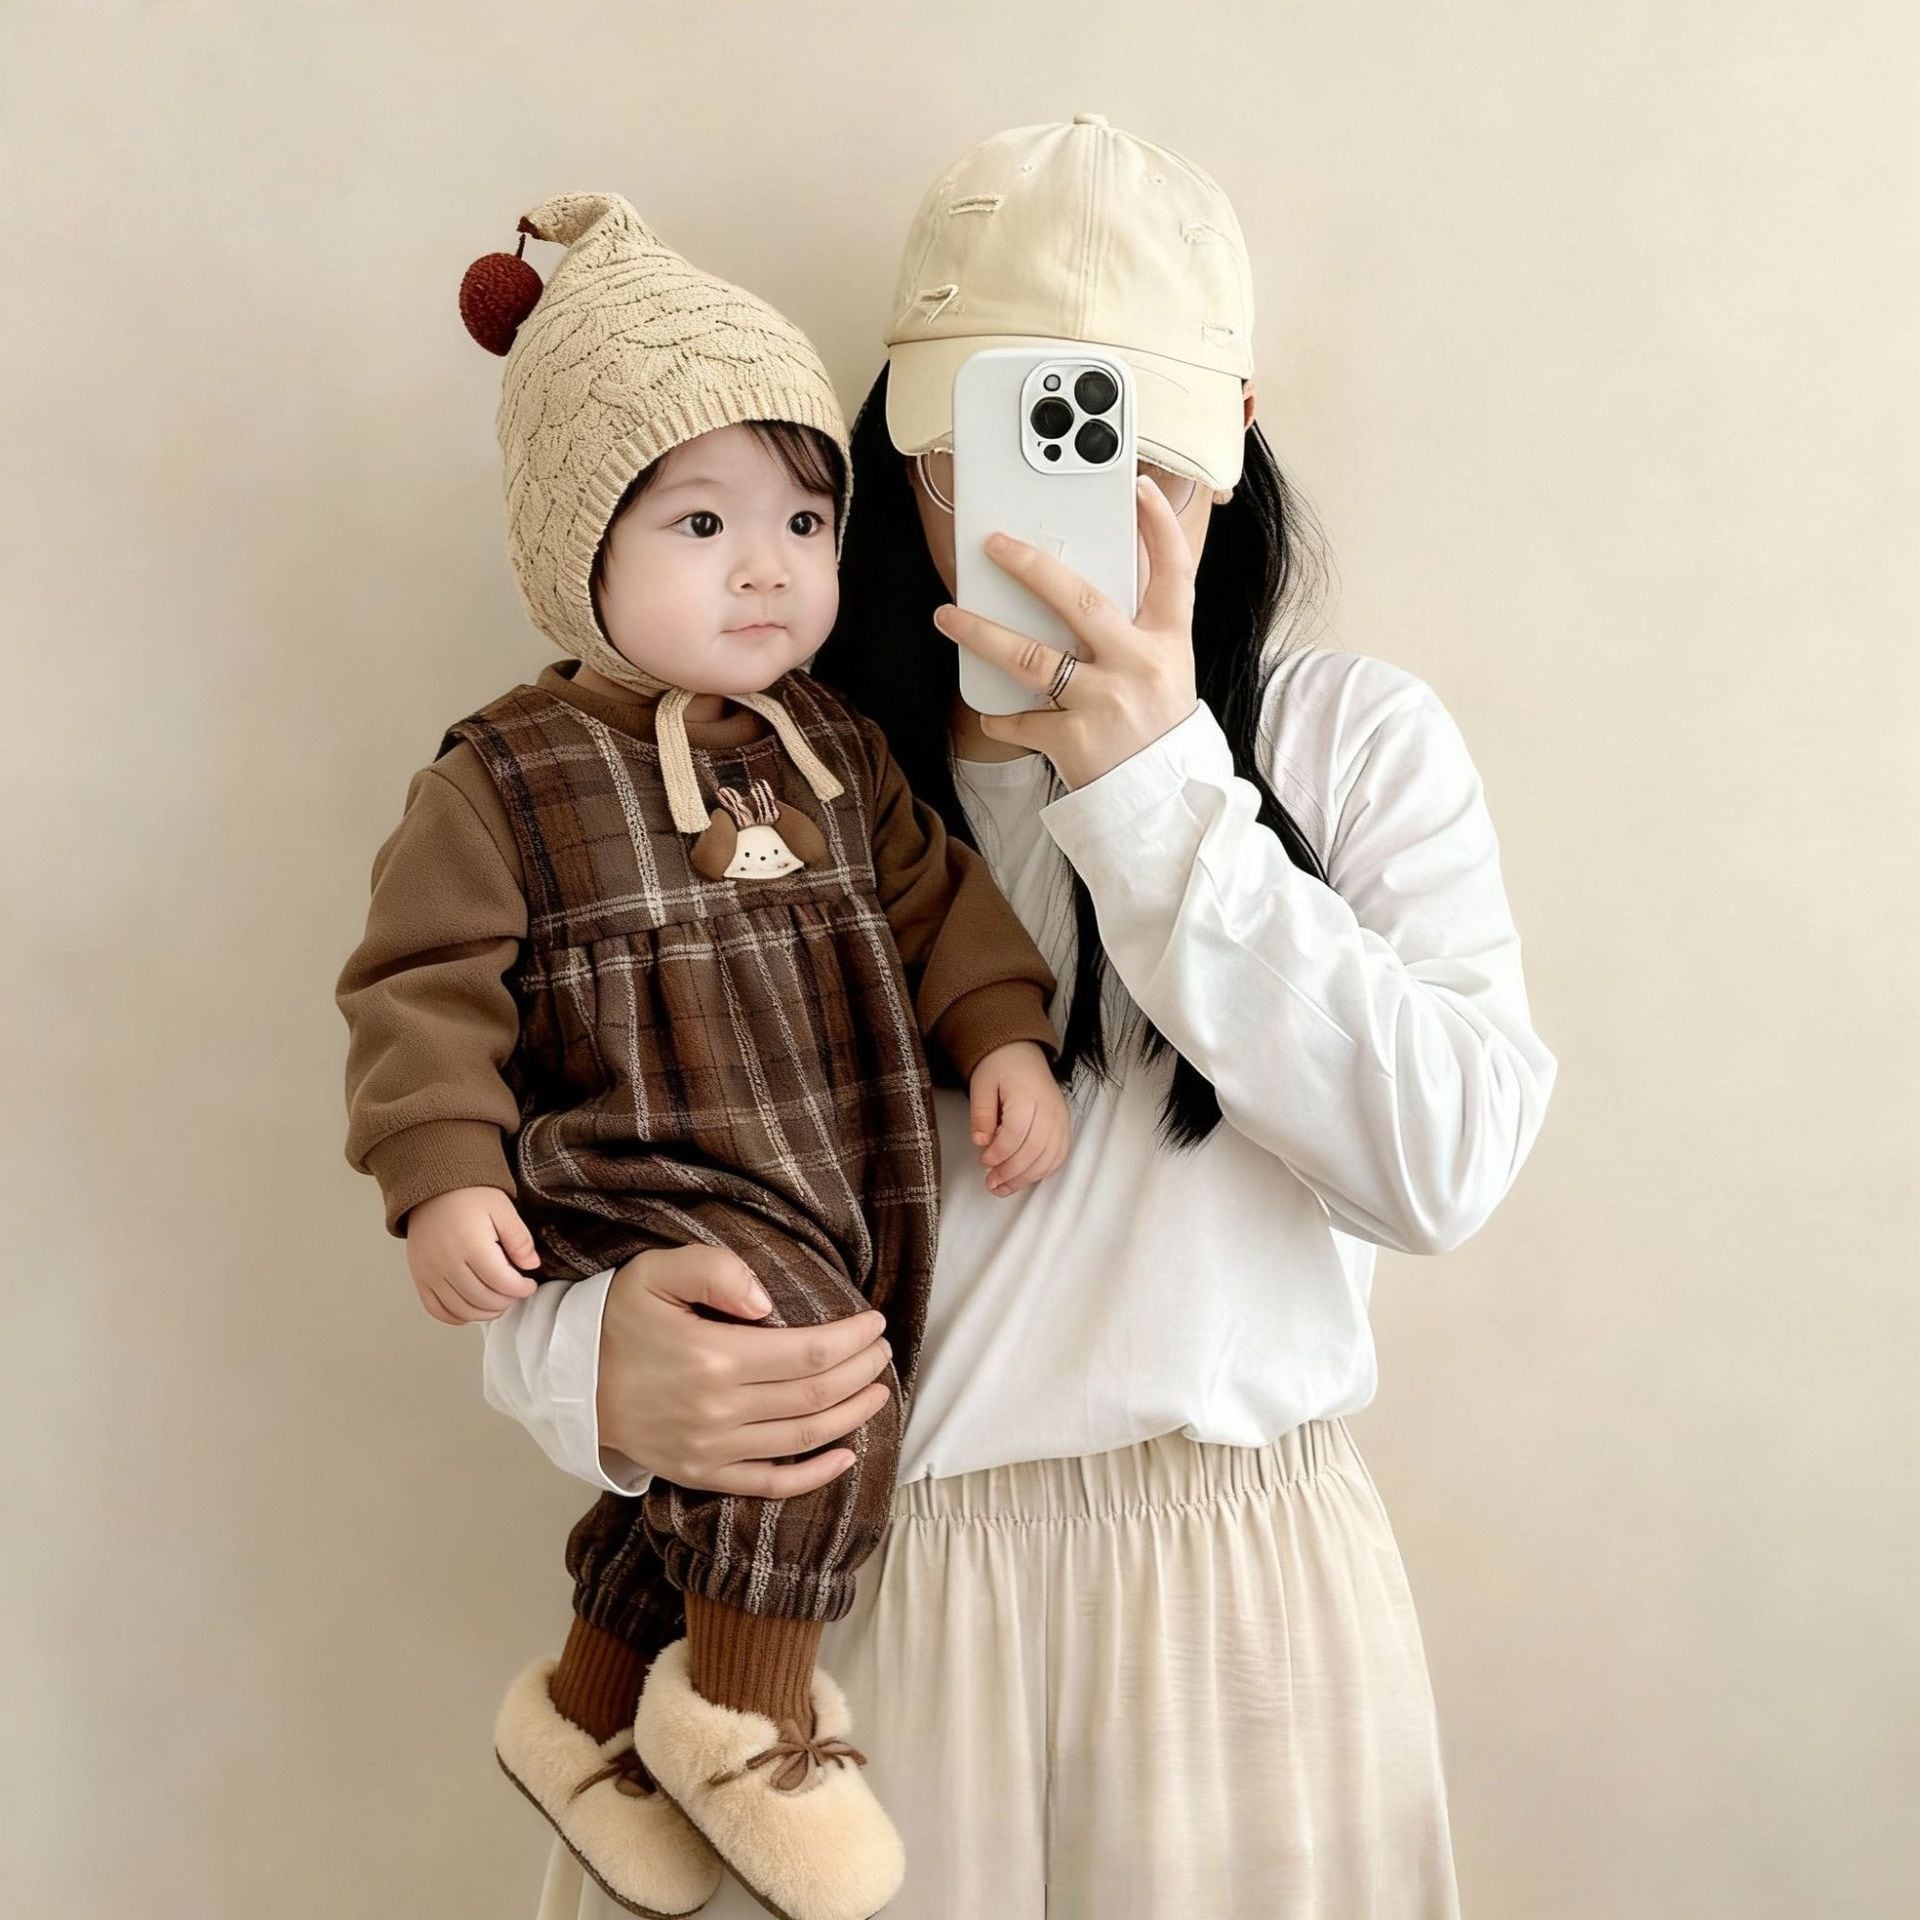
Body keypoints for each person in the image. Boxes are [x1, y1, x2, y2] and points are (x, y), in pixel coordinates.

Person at [489, 117, 1558, 1920]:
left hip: (1238, 1616)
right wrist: (583, 1364)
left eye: (1138, 449)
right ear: (900, 450)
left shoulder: (1342, 745)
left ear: (1232, 446)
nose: (1068, 507)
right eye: (996, 445)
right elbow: (553, 1175)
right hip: (827, 1609)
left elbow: (1442, 1164)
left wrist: (1159, 791)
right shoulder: (748, 766)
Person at [335, 191, 1069, 1920]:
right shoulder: (502, 777)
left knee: (719, 1451)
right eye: (703, 521)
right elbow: (420, 988)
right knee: (818, 1398)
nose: (768, 566)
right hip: (640, 1176)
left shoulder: (836, 751)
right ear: (576, 550)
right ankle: (748, 1714)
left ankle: (589, 1710)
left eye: (806, 519)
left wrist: (1003, 1041)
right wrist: (440, 1178)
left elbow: (940, 907)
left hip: (826, 1173)